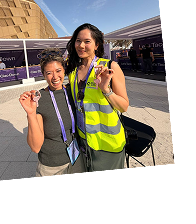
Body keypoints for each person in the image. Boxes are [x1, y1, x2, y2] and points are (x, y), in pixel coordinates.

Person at [66, 23, 129, 172]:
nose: (81, 45)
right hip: (84, 140)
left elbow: (124, 106)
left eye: (87, 41)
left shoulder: (110, 67)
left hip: (108, 143)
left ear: (96, 45)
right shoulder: (73, 70)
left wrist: (105, 89)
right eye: (78, 41)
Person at [19, 48, 85, 177]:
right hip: (52, 167)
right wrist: (31, 113)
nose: (55, 77)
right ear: (43, 75)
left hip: (77, 159)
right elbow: (35, 147)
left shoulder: (72, 92)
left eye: (58, 71)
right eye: (49, 73)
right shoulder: (40, 100)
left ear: (64, 71)